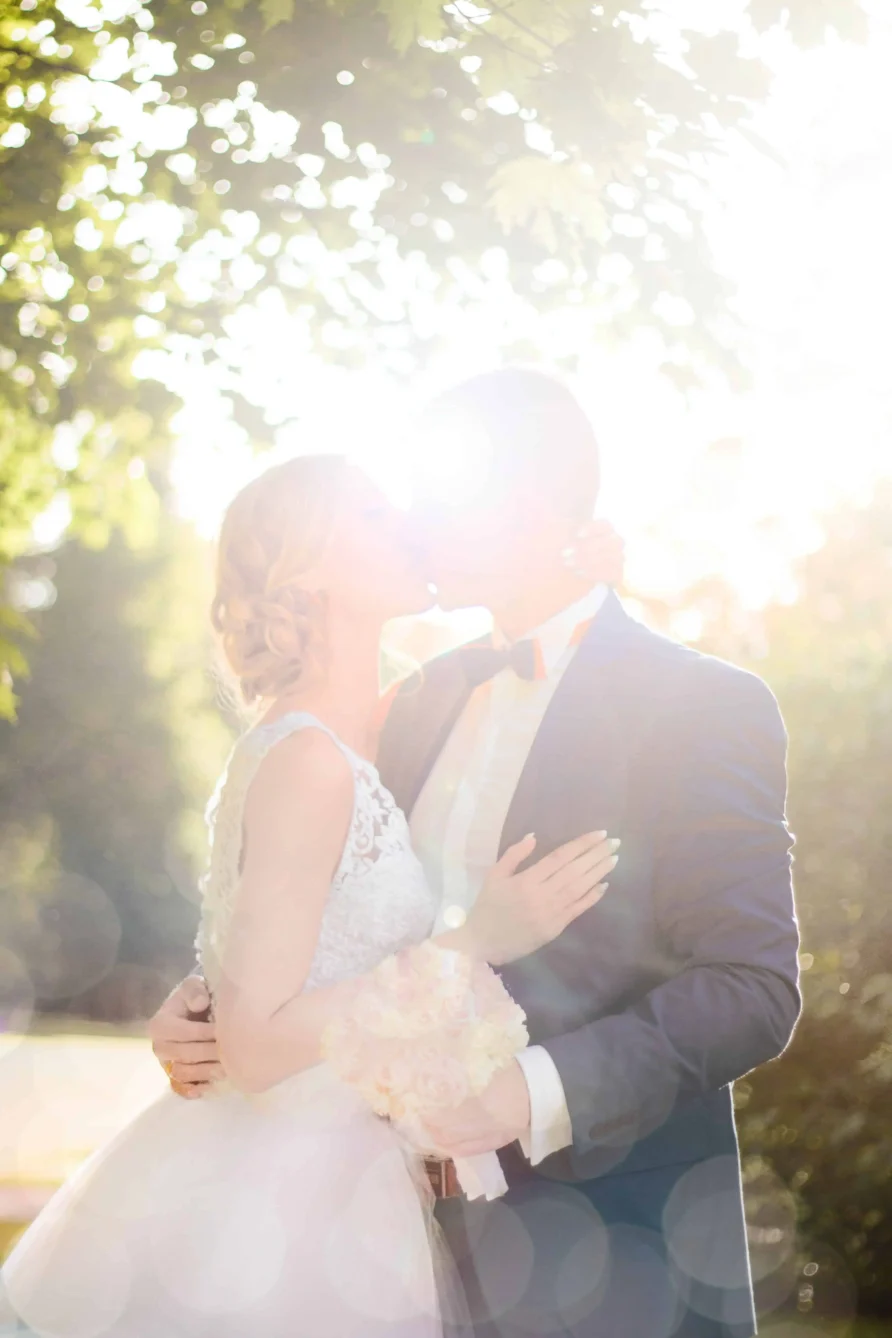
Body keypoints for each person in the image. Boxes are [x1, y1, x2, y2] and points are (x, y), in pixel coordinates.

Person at [149, 367, 801, 1338]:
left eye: (435, 497)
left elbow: (751, 987)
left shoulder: (702, 706)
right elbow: (331, 906)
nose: (412, 523)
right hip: (389, 1247)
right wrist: (203, 1004)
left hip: (623, 1255)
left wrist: (524, 1096)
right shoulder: (412, 705)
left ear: (522, 507)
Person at [0, 451, 621, 1338]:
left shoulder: (364, 730)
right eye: (373, 514)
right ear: (309, 571)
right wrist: (472, 940)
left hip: (335, 1175)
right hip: (281, 1202)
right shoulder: (309, 762)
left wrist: (588, 578)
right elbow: (254, 1044)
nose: (404, 521)